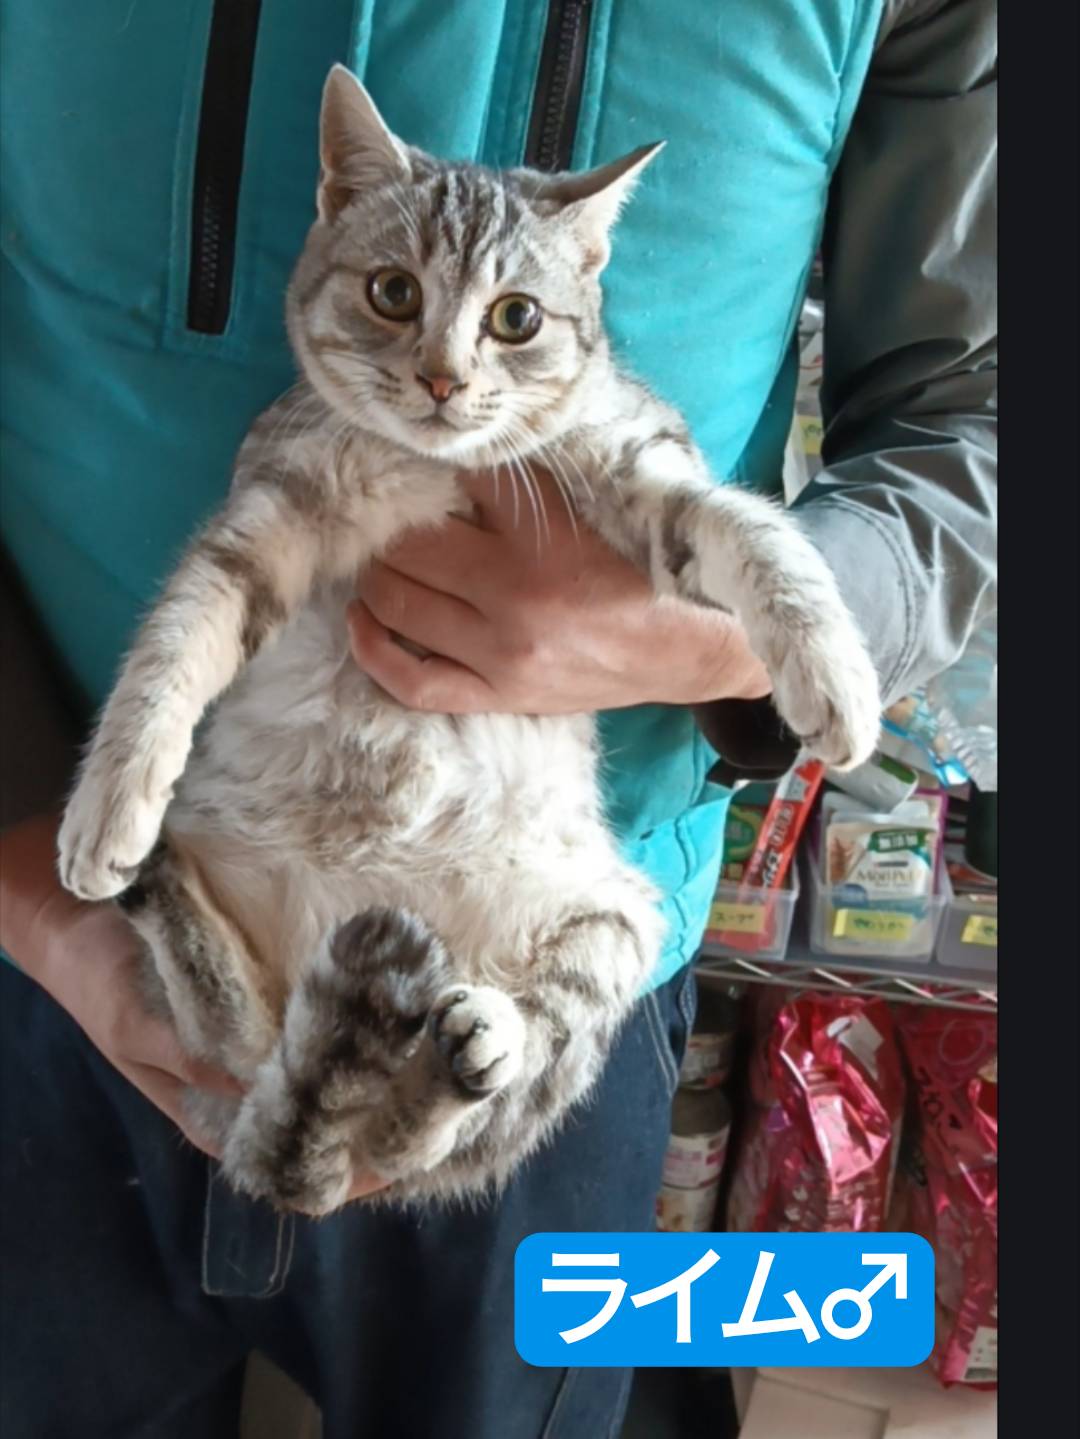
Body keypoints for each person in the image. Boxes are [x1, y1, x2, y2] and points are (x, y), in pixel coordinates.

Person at [0, 1, 996, 1435]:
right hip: (66, 932)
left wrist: (713, 635)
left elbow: (980, 413)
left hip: (538, 977)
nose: (445, 371)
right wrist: (30, 880)